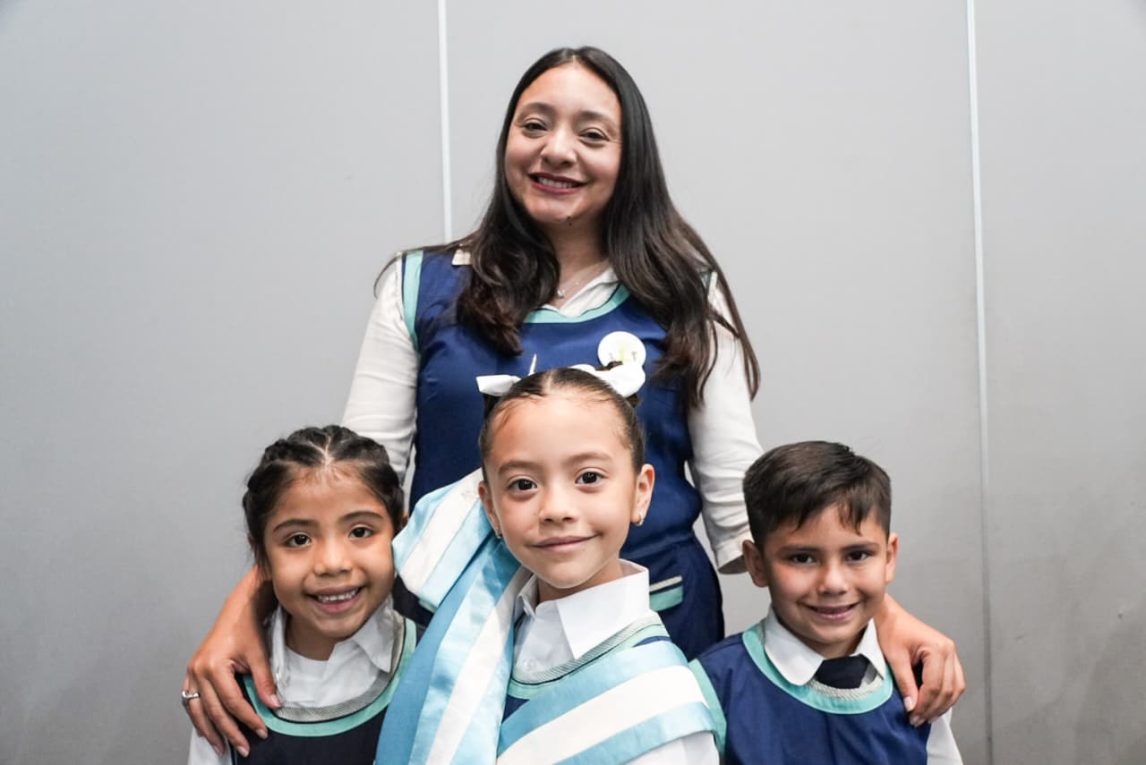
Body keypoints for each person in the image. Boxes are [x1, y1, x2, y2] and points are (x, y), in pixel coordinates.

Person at [183, 46, 964, 755]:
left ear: (631, 159)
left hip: (648, 630)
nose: (557, 149)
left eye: (592, 134)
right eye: (535, 125)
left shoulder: (684, 293)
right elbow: (347, 494)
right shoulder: (420, 288)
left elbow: (747, 513)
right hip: (457, 641)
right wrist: (248, 603)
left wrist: (876, 614)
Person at [377, 366, 718, 764]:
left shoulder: (659, 702)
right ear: (490, 507)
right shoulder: (468, 645)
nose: (556, 509)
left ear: (640, 492)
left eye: (588, 477)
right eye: (523, 484)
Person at [690, 441, 963, 764]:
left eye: (857, 555)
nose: (833, 583)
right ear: (757, 563)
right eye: (802, 558)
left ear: (889, 558)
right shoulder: (710, 689)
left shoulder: (921, 678)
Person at [184, 426, 416, 764]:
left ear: (401, 535)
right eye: (299, 539)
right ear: (262, 555)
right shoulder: (226, 690)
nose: (332, 563)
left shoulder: (437, 662)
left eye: (360, 531)